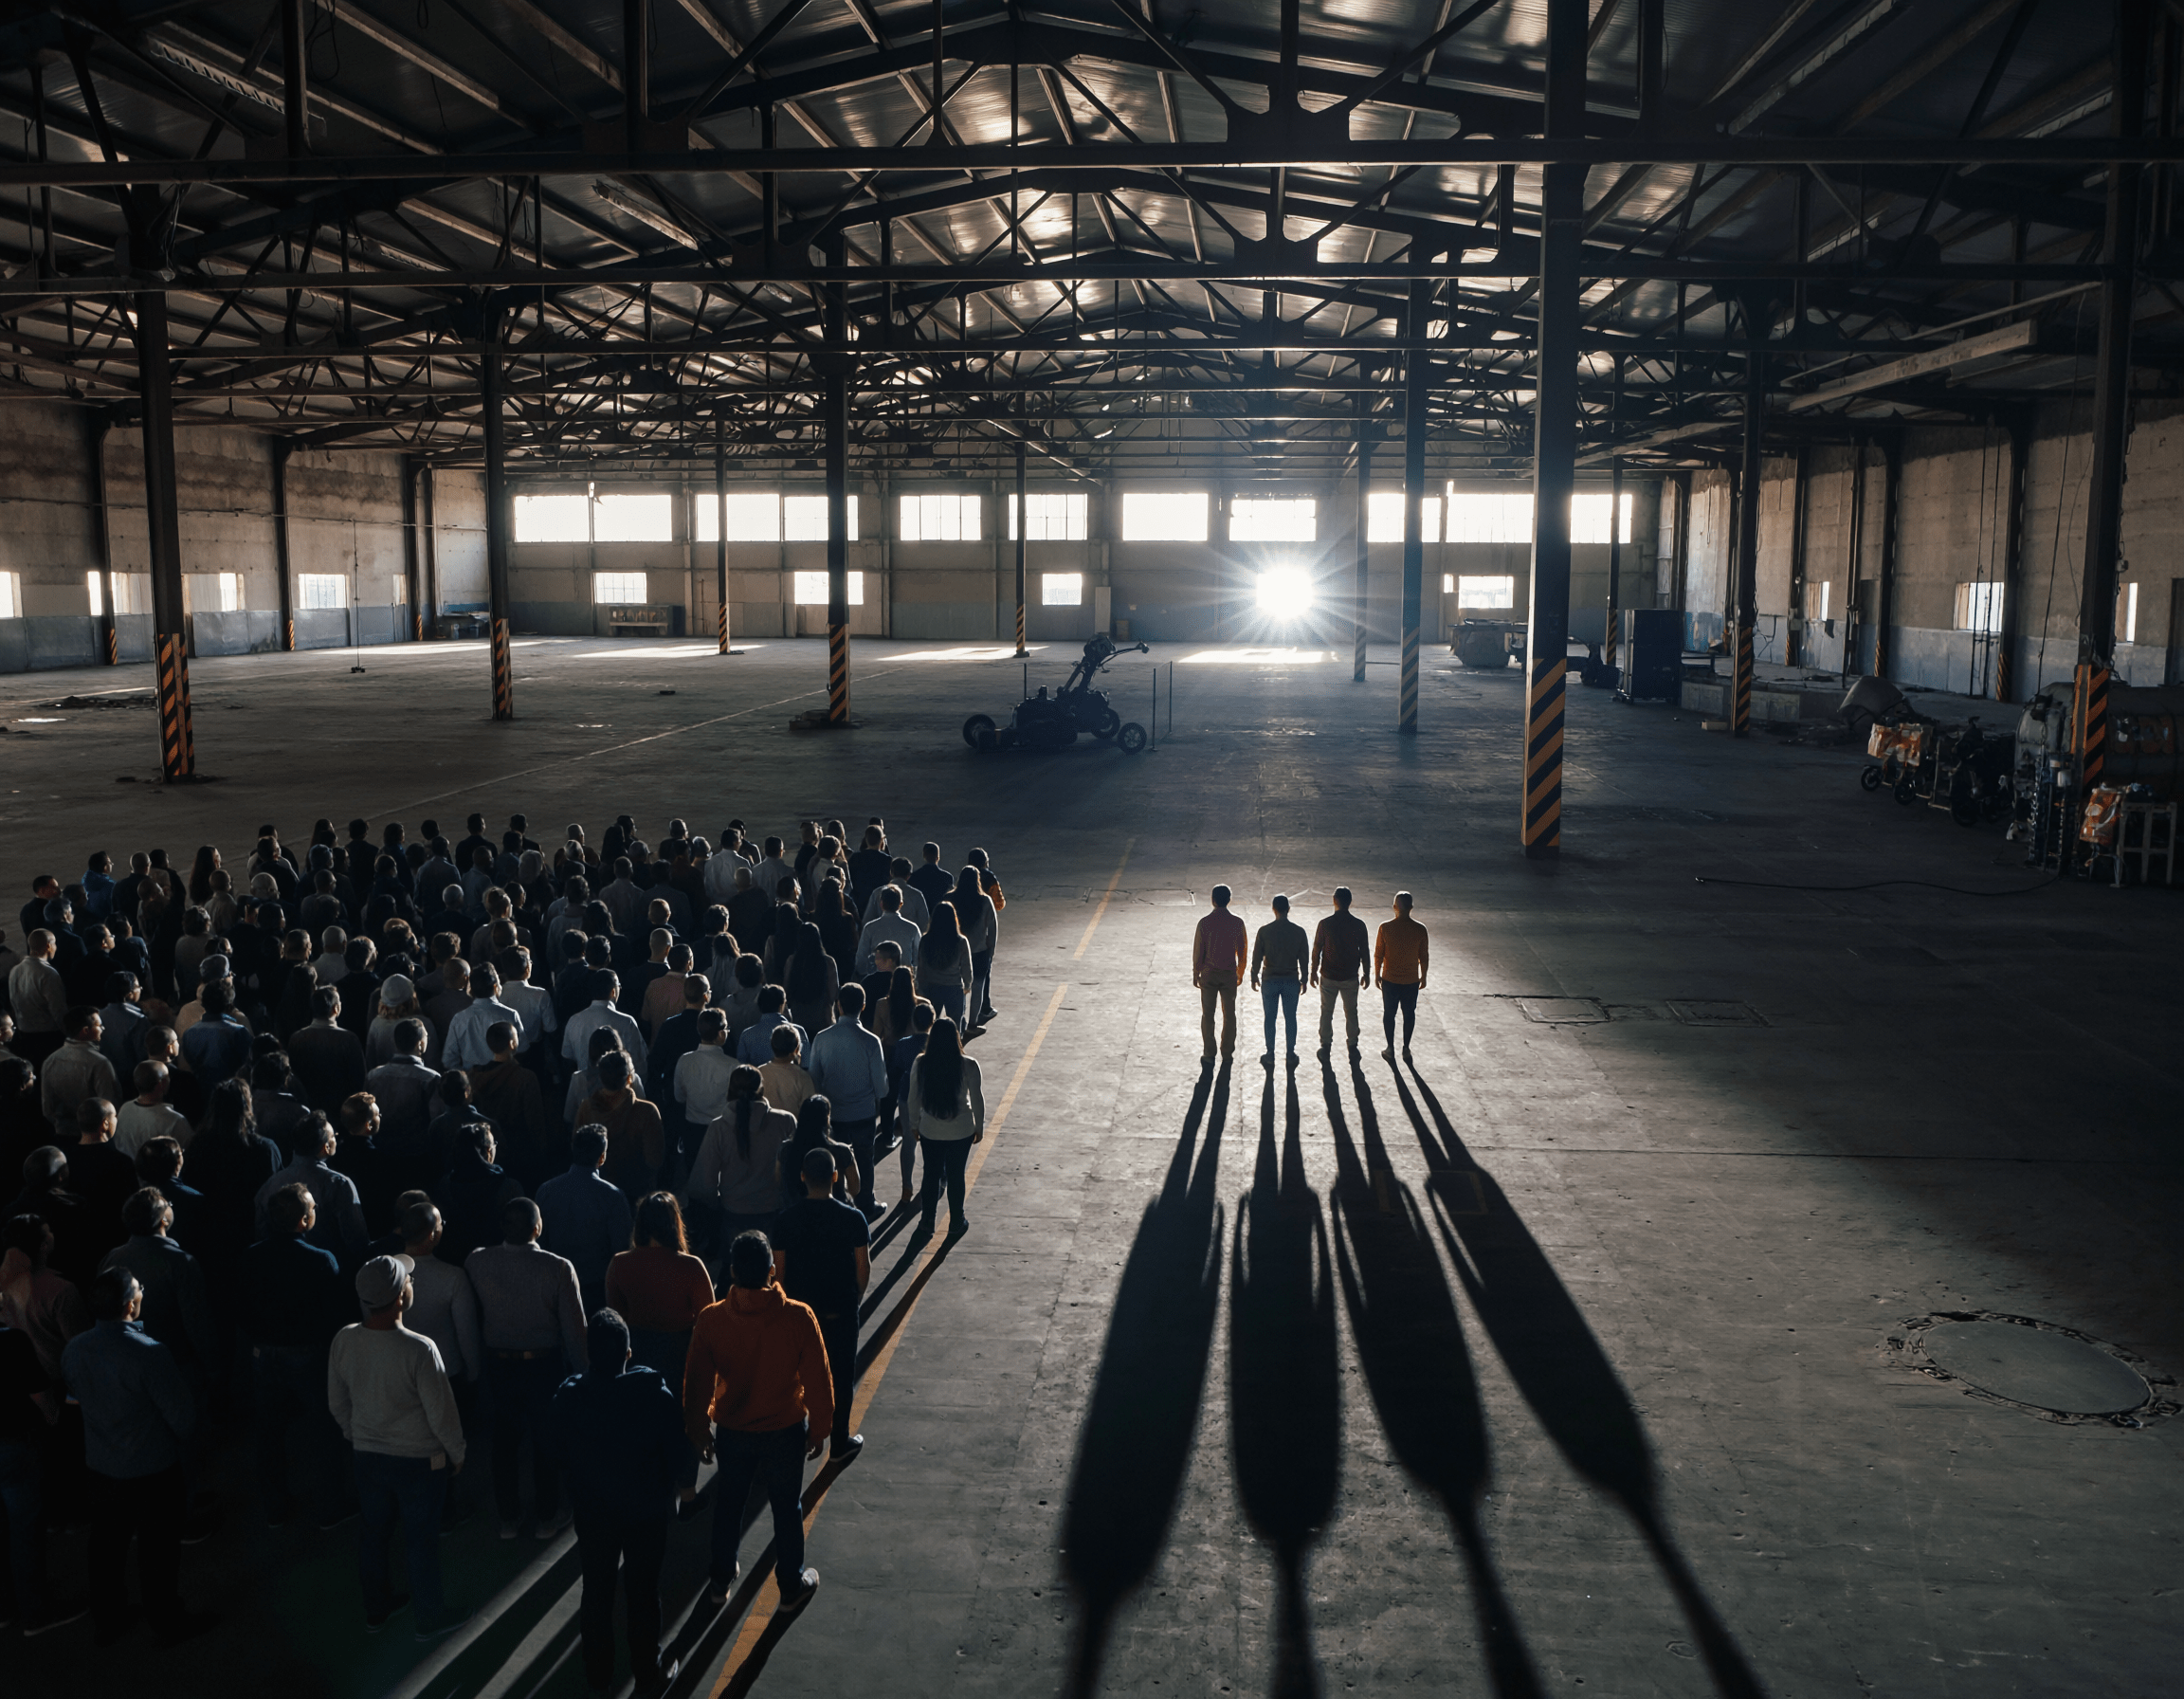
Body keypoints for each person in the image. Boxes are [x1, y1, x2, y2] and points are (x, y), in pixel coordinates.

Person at [63, 1267, 214, 1645]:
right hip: (152, 1469)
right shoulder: (149, 1353)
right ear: (132, 1305)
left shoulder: (75, 1349)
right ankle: (166, 1620)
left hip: (101, 1467)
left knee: (106, 1547)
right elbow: (182, 1418)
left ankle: (109, 1617)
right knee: (157, 1550)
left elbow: (74, 1400)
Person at [327, 1252, 470, 1640]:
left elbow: (337, 1401)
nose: (411, 1283)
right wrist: (456, 1453)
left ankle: (376, 1609)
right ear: (400, 1298)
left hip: (368, 1458)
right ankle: (429, 1616)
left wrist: (355, 1434)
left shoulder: (344, 1339)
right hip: (420, 1462)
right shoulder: (420, 1349)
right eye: (407, 1280)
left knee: (374, 1534)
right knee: (420, 1541)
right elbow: (442, 1414)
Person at [683, 1231, 826, 1617]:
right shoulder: (799, 1316)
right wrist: (821, 1427)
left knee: (729, 1505)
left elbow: (695, 1382)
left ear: (731, 1271)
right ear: (772, 1270)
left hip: (734, 1430)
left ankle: (719, 1580)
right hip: (784, 1430)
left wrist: (698, 1431)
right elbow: (817, 1377)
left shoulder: (712, 1320)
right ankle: (791, 1584)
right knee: (786, 1508)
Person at [550, 1307, 683, 1694]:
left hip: (594, 1514)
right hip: (645, 1513)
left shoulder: (570, 1397)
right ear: (629, 1353)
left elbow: (556, 1453)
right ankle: (647, 1671)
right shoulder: (655, 1395)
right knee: (643, 1593)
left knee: (596, 1591)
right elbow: (675, 1453)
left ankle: (597, 1674)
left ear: (588, 1353)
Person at [465, 1197, 587, 1538]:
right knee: (544, 1441)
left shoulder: (477, 1261)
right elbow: (574, 1331)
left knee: (504, 1442)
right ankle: (547, 1516)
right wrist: (584, 1374)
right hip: (543, 1365)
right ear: (538, 1228)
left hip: (498, 1365)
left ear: (503, 1227)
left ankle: (508, 1517)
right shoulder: (558, 1267)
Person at [241, 1182, 351, 1528]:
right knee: (325, 1428)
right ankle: (332, 1507)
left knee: (269, 1432)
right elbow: (336, 1313)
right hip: (309, 1354)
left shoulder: (251, 1256)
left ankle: (275, 1507)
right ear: (304, 1222)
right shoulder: (320, 1260)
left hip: (264, 1353)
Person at [770, 1147, 868, 1463]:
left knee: (797, 1377)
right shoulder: (853, 1218)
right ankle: (839, 1441)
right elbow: (862, 1268)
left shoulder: (785, 1220)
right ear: (835, 1178)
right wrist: (855, 1298)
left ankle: (799, 1438)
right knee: (841, 1378)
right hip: (840, 1311)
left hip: (801, 1315)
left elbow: (779, 1272)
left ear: (802, 1178)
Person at [682, 1066, 794, 1272]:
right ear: (761, 1088)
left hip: (733, 1213)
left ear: (730, 1089)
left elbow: (703, 1183)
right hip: (774, 1211)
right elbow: (794, 1170)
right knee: (775, 1273)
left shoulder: (718, 1127)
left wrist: (718, 1203)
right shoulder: (785, 1121)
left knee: (733, 1273)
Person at [806, 985, 888, 1219]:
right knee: (864, 1159)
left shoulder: (822, 1038)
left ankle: (839, 1202)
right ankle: (866, 1205)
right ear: (863, 1006)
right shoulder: (871, 1041)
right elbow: (881, 1087)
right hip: (863, 1113)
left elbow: (814, 1079)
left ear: (838, 1005)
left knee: (836, 1161)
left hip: (833, 1115)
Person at [537, 1125, 633, 1314]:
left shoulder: (546, 1190)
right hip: (598, 1286)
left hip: (557, 1281)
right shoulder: (613, 1196)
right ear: (602, 1157)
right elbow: (621, 1249)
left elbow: (540, 1242)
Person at [904, 1017, 983, 1237]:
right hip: (962, 1131)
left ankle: (927, 1220)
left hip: (930, 1130)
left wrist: (914, 1124)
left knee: (931, 1175)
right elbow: (977, 1100)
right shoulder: (969, 1065)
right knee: (956, 1175)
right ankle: (956, 1220)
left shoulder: (921, 1063)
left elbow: (913, 1098)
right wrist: (979, 1128)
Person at [256, 1114, 369, 1267]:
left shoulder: (271, 1184)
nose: (337, 1138)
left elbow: (261, 1232)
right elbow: (357, 1243)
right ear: (326, 1147)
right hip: (330, 1274)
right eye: (333, 1136)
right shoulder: (339, 1184)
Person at [579, 1050, 664, 1200]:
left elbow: (577, 1152)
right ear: (630, 1078)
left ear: (601, 1077)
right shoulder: (647, 1112)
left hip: (596, 1192)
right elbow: (655, 1159)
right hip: (637, 1193)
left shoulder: (586, 1109)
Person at [1248, 894, 1311, 1070]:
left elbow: (1257, 956)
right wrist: (1304, 978)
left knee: (1270, 1018)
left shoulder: (1264, 931)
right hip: (1291, 980)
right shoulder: (1299, 932)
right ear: (1288, 909)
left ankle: (1270, 1054)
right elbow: (1304, 959)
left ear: (1273, 909)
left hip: (1270, 980)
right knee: (1291, 1018)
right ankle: (1290, 1054)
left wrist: (1254, 975)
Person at [41, 1006, 119, 1142]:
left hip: (62, 1134)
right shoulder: (100, 1063)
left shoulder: (50, 1061)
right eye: (99, 1025)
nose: (103, 1029)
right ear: (85, 1031)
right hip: (94, 1138)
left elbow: (47, 1108)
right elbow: (110, 1106)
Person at [1309, 886, 1371, 1061]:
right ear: (1350, 902)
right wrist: (1367, 973)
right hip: (1350, 976)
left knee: (1326, 1011)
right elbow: (1364, 951)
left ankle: (1325, 1046)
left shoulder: (1325, 924)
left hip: (1328, 976)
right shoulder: (1359, 925)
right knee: (1351, 1012)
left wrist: (1313, 972)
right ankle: (1352, 1046)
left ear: (1334, 901)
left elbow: (1317, 950)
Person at [289, 987, 368, 1114]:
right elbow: (359, 1079)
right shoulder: (349, 1039)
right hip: (341, 1110)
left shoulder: (297, 1038)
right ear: (335, 1009)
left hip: (307, 1108)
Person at [1192, 886, 1248, 1062]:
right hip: (1229, 974)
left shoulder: (1205, 923)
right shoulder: (1237, 923)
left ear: (1213, 900)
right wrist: (1240, 972)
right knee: (1229, 1014)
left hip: (1209, 975)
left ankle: (1209, 1052)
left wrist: (1196, 972)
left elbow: (1199, 951)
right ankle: (1227, 1050)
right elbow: (1243, 950)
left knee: (1208, 1015)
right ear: (1229, 900)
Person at [1374, 890, 1429, 1061]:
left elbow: (1378, 954)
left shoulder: (1385, 928)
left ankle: (1390, 1048)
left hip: (1390, 980)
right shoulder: (1420, 929)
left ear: (1394, 907)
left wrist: (1376, 974)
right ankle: (1406, 1048)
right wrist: (1424, 976)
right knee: (1409, 1014)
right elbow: (1424, 956)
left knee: (1389, 1014)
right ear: (1411, 907)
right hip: (1411, 980)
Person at [951, 867, 998, 1036]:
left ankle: (957, 1023)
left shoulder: (949, 898)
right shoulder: (985, 901)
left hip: (955, 950)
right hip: (979, 951)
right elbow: (992, 928)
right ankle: (972, 1024)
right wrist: (991, 950)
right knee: (977, 987)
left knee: (957, 986)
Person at [914, 902, 972, 1030]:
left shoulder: (925, 940)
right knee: (955, 1024)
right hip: (953, 988)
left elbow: (921, 966)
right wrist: (967, 985)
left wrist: (920, 987)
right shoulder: (961, 941)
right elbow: (967, 968)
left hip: (931, 986)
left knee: (929, 1024)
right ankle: (955, 1047)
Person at [116, 1061, 189, 1160]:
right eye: (167, 1076)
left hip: (127, 1173)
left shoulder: (125, 1109)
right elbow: (191, 1151)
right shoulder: (175, 1121)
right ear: (162, 1083)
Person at [757, 1024, 815, 1118]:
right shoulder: (803, 1077)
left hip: (764, 1130)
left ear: (772, 1045)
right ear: (796, 1049)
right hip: (792, 1130)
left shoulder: (759, 1072)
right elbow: (809, 1111)